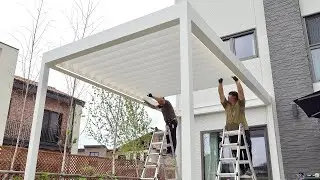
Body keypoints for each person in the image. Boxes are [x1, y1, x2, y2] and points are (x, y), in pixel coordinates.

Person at [218, 76, 252, 176]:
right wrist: (220, 84)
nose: (227, 98)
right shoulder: (226, 105)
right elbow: (221, 95)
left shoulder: (240, 104)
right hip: (232, 132)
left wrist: (237, 81)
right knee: (236, 152)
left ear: (234, 98)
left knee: (245, 150)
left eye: (229, 96)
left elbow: (241, 93)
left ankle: (248, 168)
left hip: (242, 130)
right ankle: (241, 169)